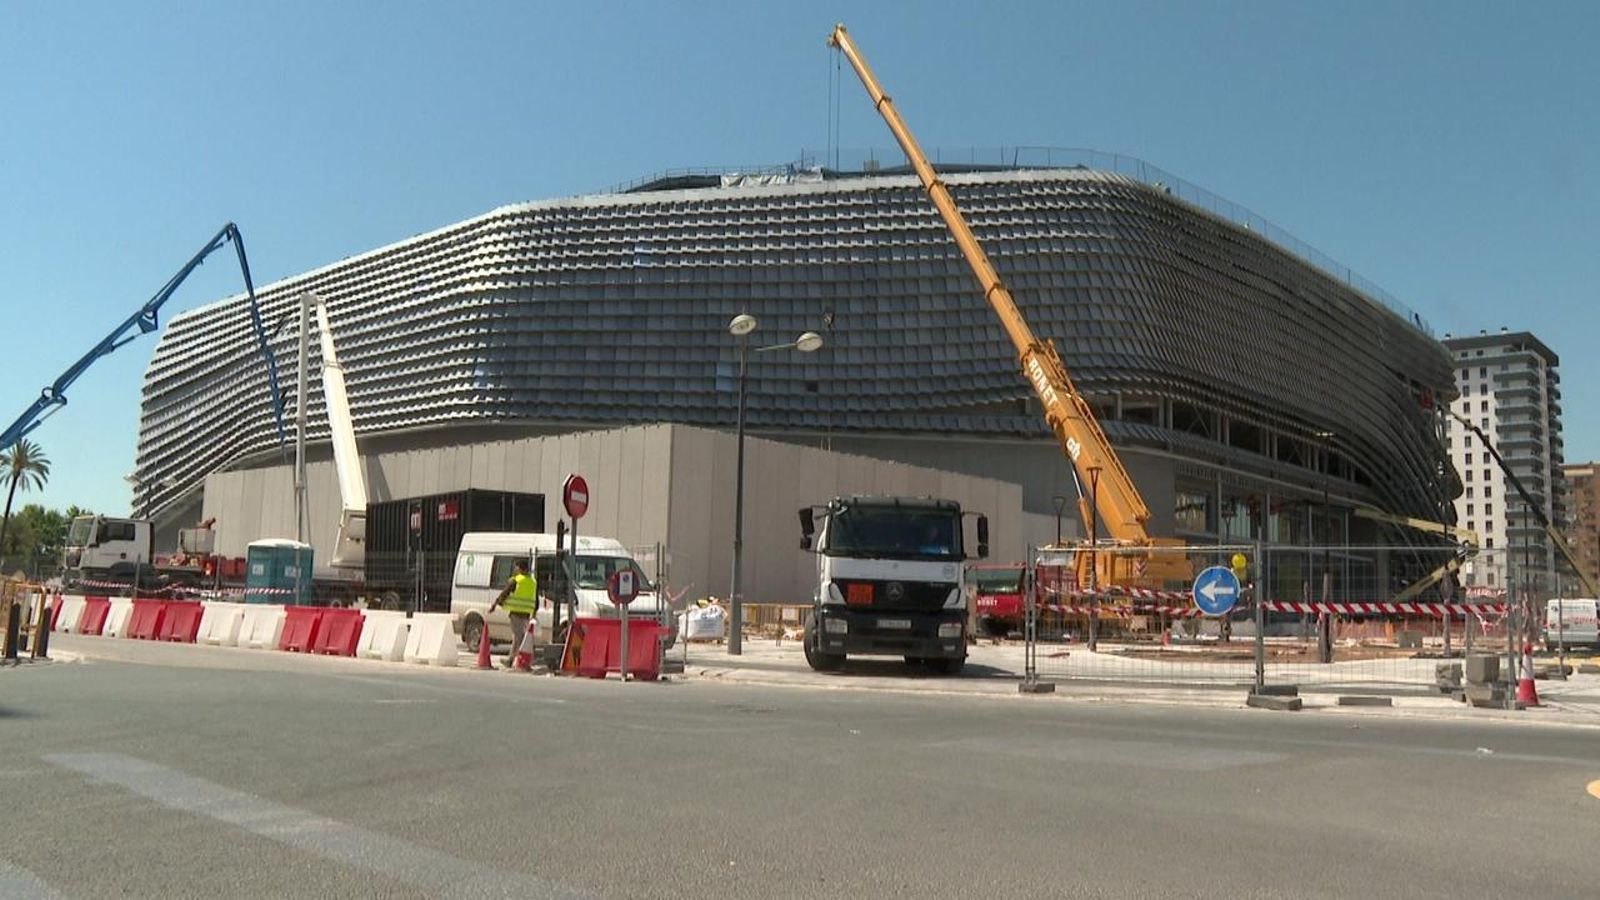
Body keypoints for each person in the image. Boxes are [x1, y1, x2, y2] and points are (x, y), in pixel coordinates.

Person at [487, 560, 538, 668]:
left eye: (516, 567)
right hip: (526, 614)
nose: (515, 569)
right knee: (524, 637)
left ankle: (514, 660)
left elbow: (504, 594)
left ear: (520, 569)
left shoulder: (516, 581)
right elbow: (535, 599)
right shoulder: (533, 582)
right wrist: (534, 613)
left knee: (518, 637)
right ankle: (524, 659)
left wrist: (495, 605)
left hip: (516, 613)